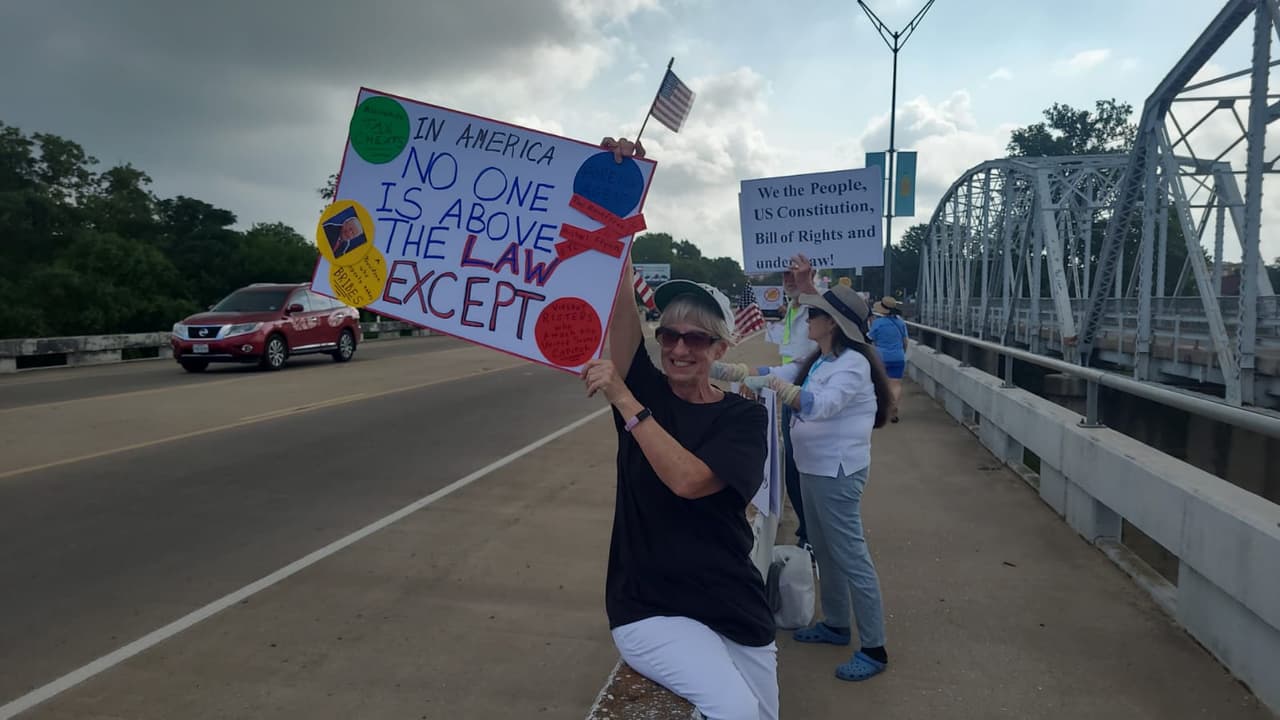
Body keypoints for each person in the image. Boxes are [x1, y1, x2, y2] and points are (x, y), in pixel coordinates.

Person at [580, 250, 778, 719]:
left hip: (733, 603)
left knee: (764, 715)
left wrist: (625, 401)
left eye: (696, 338)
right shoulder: (647, 391)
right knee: (735, 711)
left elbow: (689, 481)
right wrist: (620, 238)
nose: (679, 348)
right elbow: (623, 305)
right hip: (651, 607)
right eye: (669, 334)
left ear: (721, 348)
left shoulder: (743, 418)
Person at [712, 284, 894, 682]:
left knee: (850, 556)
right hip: (814, 468)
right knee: (824, 551)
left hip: (837, 472)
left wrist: (779, 388)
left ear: (832, 323)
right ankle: (835, 623)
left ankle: (875, 647)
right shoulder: (821, 360)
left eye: (814, 315)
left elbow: (820, 406)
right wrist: (721, 370)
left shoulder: (853, 365)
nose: (807, 320)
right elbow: (775, 373)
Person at [773, 255, 820, 549]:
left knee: (809, 469)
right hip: (792, 391)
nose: (789, 279)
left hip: (814, 396)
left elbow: (833, 315)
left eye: (795, 274)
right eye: (785, 275)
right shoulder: (793, 307)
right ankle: (808, 533)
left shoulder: (818, 303)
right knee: (793, 467)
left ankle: (814, 537)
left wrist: (807, 284)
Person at [869, 296, 908, 423]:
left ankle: (882, 410)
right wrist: (902, 353)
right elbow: (905, 341)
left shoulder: (877, 323)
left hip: (881, 357)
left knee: (881, 385)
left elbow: (871, 340)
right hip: (898, 356)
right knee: (895, 384)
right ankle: (894, 407)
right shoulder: (901, 323)